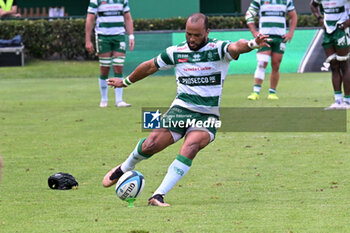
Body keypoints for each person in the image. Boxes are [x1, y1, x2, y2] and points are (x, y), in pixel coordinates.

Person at [103, 13, 270, 206]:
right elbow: (149, 66)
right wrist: (125, 82)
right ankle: (125, 167)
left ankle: (158, 195)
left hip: (207, 114)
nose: (191, 39)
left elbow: (236, 46)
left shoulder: (218, 49)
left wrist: (253, 44)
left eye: (196, 35)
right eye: (188, 34)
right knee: (151, 144)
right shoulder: (177, 52)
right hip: (181, 109)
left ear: (207, 32)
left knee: (191, 145)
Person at [85, 0, 134, 108]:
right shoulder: (96, 1)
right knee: (105, 68)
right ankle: (104, 99)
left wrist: (131, 36)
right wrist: (88, 40)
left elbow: (128, 17)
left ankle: (119, 100)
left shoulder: (123, 0)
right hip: (103, 36)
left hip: (119, 36)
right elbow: (90, 18)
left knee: (118, 67)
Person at [245, 0, 297, 100]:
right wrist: (254, 32)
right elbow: (249, 15)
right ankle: (255, 92)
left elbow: (293, 16)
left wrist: (291, 32)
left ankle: (272, 93)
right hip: (264, 37)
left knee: (276, 64)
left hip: (280, 37)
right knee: (262, 63)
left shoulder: (286, 1)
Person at [310, 0, 350, 110]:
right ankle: (338, 101)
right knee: (334, 66)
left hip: (341, 30)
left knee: (344, 65)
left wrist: (347, 22)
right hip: (328, 31)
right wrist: (319, 18)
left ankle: (347, 101)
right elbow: (313, 4)